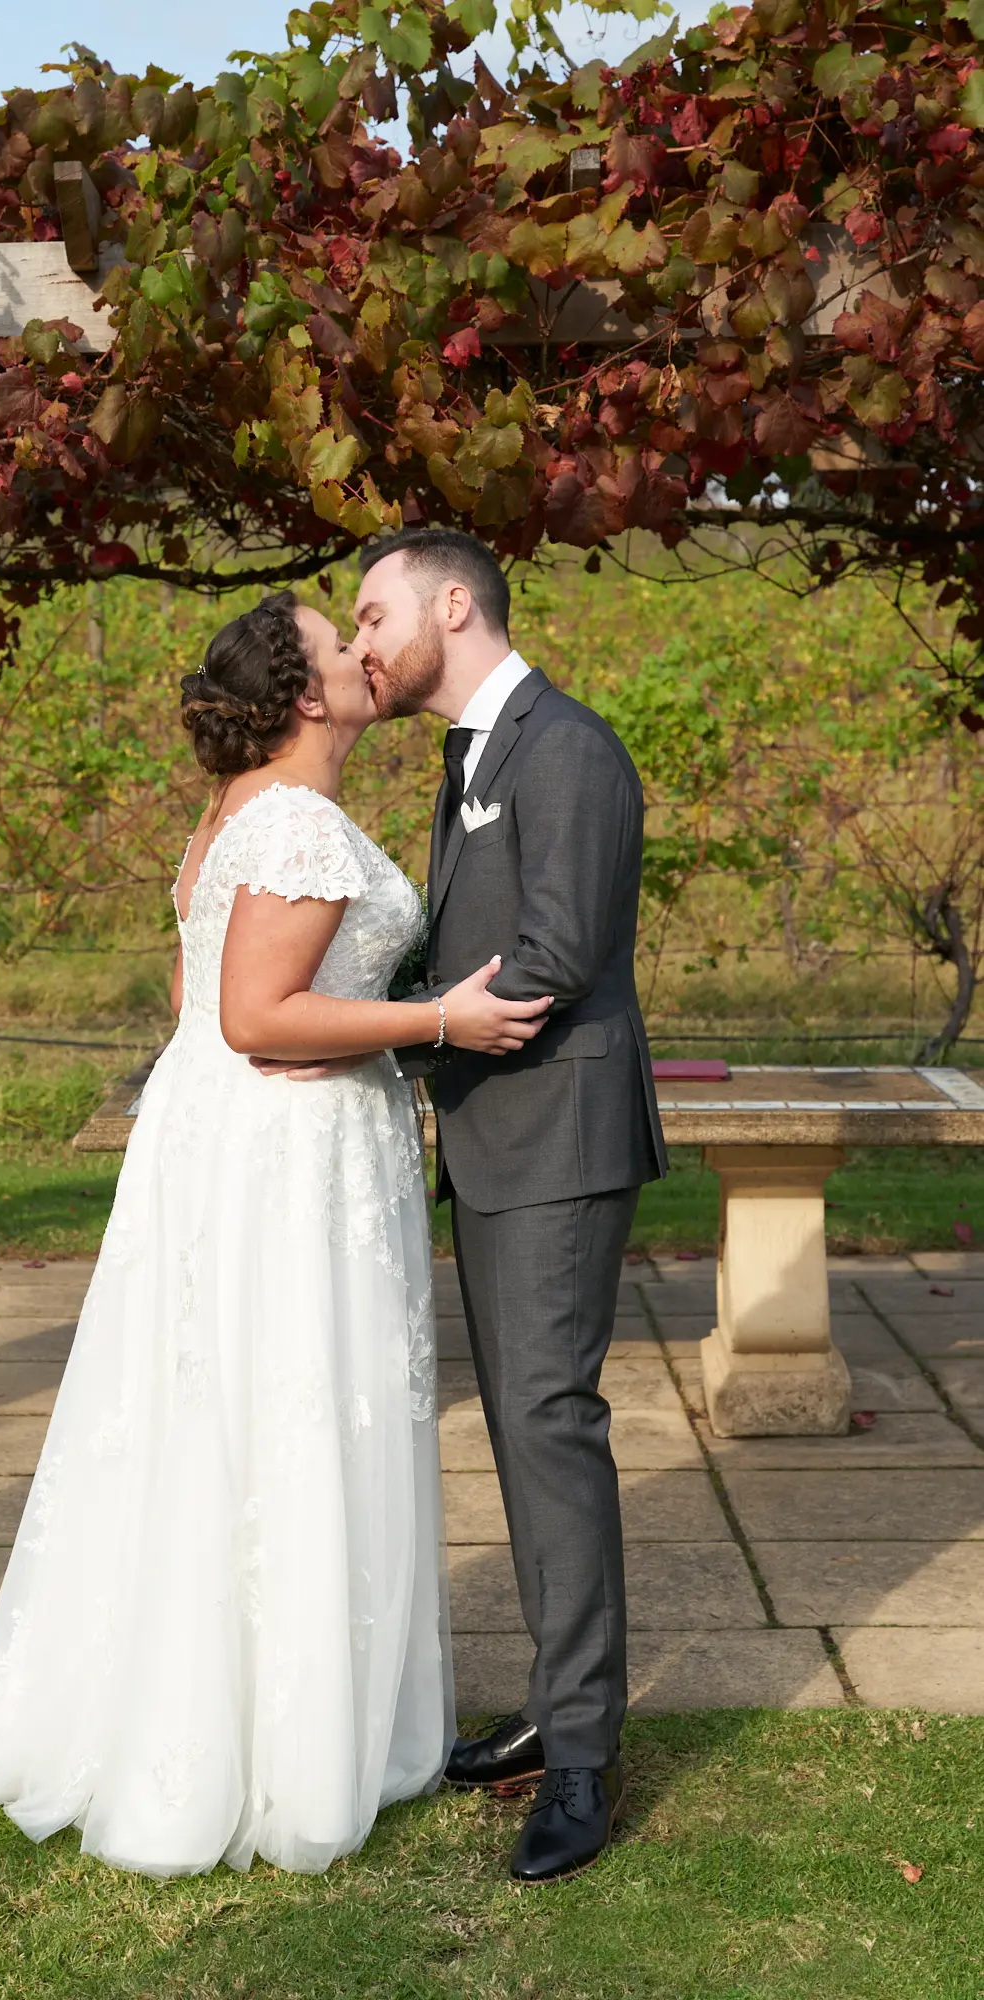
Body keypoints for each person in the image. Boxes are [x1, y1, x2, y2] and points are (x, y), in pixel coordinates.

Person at [0, 589, 551, 1878]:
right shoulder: (293, 820)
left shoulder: (233, 818)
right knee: (289, 1414)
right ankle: (283, 1747)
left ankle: (220, 1717)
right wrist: (436, 1021)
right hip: (287, 1158)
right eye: (343, 645)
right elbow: (253, 1018)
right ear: (302, 696)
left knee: (219, 1419)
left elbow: (189, 996)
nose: (363, 652)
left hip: (227, 1147)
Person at [351, 528, 668, 1884]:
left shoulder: (570, 749)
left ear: (455, 604)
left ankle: (586, 1761)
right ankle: (555, 1705)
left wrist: (386, 1035)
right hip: (494, 1144)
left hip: (558, 1142)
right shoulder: (469, 755)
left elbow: (552, 955)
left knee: (550, 1427)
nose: (362, 642)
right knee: (528, 1433)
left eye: (373, 615)